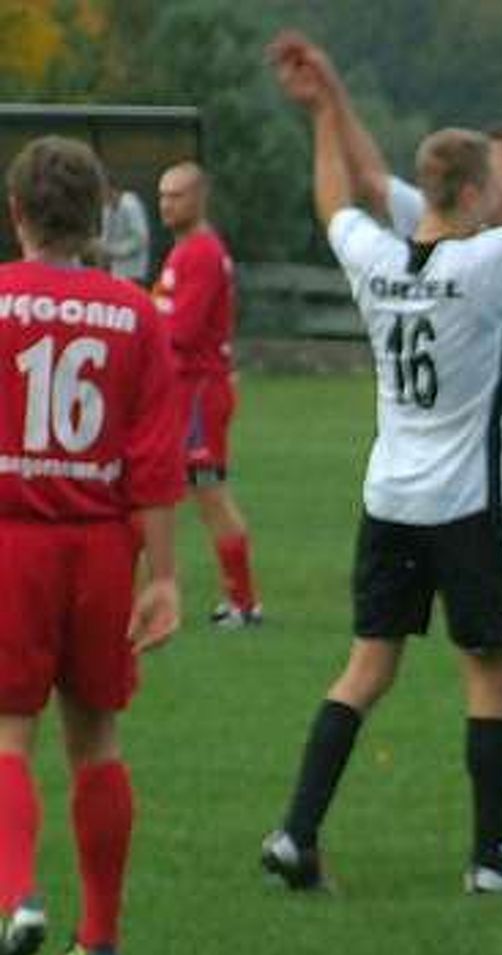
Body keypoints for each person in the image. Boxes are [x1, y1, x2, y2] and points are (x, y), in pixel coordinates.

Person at [258, 35, 502, 895]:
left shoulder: (380, 262)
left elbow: (336, 202)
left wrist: (325, 106)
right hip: (465, 504)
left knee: (367, 666)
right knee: (488, 670)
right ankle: (484, 861)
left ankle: (297, 831)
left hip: (387, 494)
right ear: (477, 191)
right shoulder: (490, 262)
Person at [0, 136, 184, 955]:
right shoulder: (136, 313)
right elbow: (154, 461)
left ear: (17, 212)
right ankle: (99, 938)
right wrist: (165, 577)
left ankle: (16, 894)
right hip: (102, 548)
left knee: (8, 733)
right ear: (99, 213)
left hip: (14, 541)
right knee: (97, 739)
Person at [154, 162, 263, 627]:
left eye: (175, 196)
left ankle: (243, 603)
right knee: (172, 493)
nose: (166, 205)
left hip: (197, 393)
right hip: (188, 391)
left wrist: (140, 324)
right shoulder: (187, 251)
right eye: (162, 196)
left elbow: (181, 330)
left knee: (209, 493)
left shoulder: (198, 253)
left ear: (199, 198)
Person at [99, 183, 150, 284]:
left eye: (104, 193)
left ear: (113, 190)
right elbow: (106, 236)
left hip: (134, 272)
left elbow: (140, 240)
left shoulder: (131, 205)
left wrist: (111, 250)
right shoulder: (107, 208)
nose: (102, 198)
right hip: (116, 271)